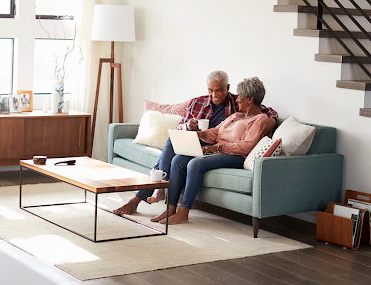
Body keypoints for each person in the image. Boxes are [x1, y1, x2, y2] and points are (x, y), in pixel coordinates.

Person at [113, 70, 278, 215]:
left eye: (218, 90)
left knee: (179, 159)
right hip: (200, 140)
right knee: (173, 141)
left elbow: (261, 109)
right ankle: (159, 188)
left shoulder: (237, 103)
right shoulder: (199, 103)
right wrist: (190, 127)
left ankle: (151, 192)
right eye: (210, 90)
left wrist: (272, 120)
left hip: (216, 148)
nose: (214, 95)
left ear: (227, 88)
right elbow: (185, 127)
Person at [151, 77, 269, 224]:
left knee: (195, 164)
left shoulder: (260, 120)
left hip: (236, 156)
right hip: (218, 151)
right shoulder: (236, 116)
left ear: (250, 99)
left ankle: (184, 212)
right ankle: (170, 209)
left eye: (240, 97)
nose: (237, 100)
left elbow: (248, 145)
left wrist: (218, 148)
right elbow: (216, 132)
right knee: (178, 159)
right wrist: (198, 134)